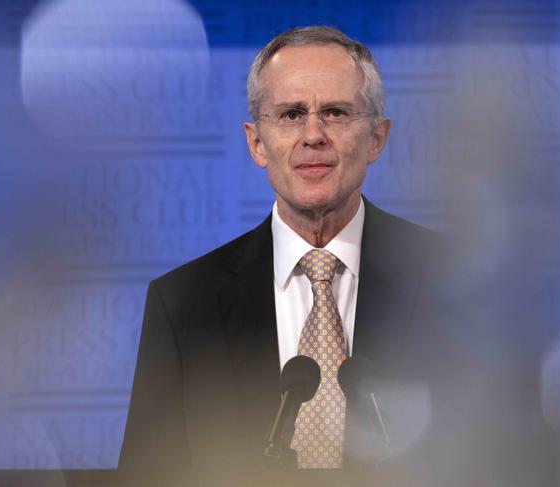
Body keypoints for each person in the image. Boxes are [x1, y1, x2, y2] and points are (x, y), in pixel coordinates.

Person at [118, 26, 484, 486]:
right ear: (256, 143)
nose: (314, 135)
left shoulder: (456, 285)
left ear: (376, 137)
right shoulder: (184, 304)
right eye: (291, 115)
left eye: (335, 112)